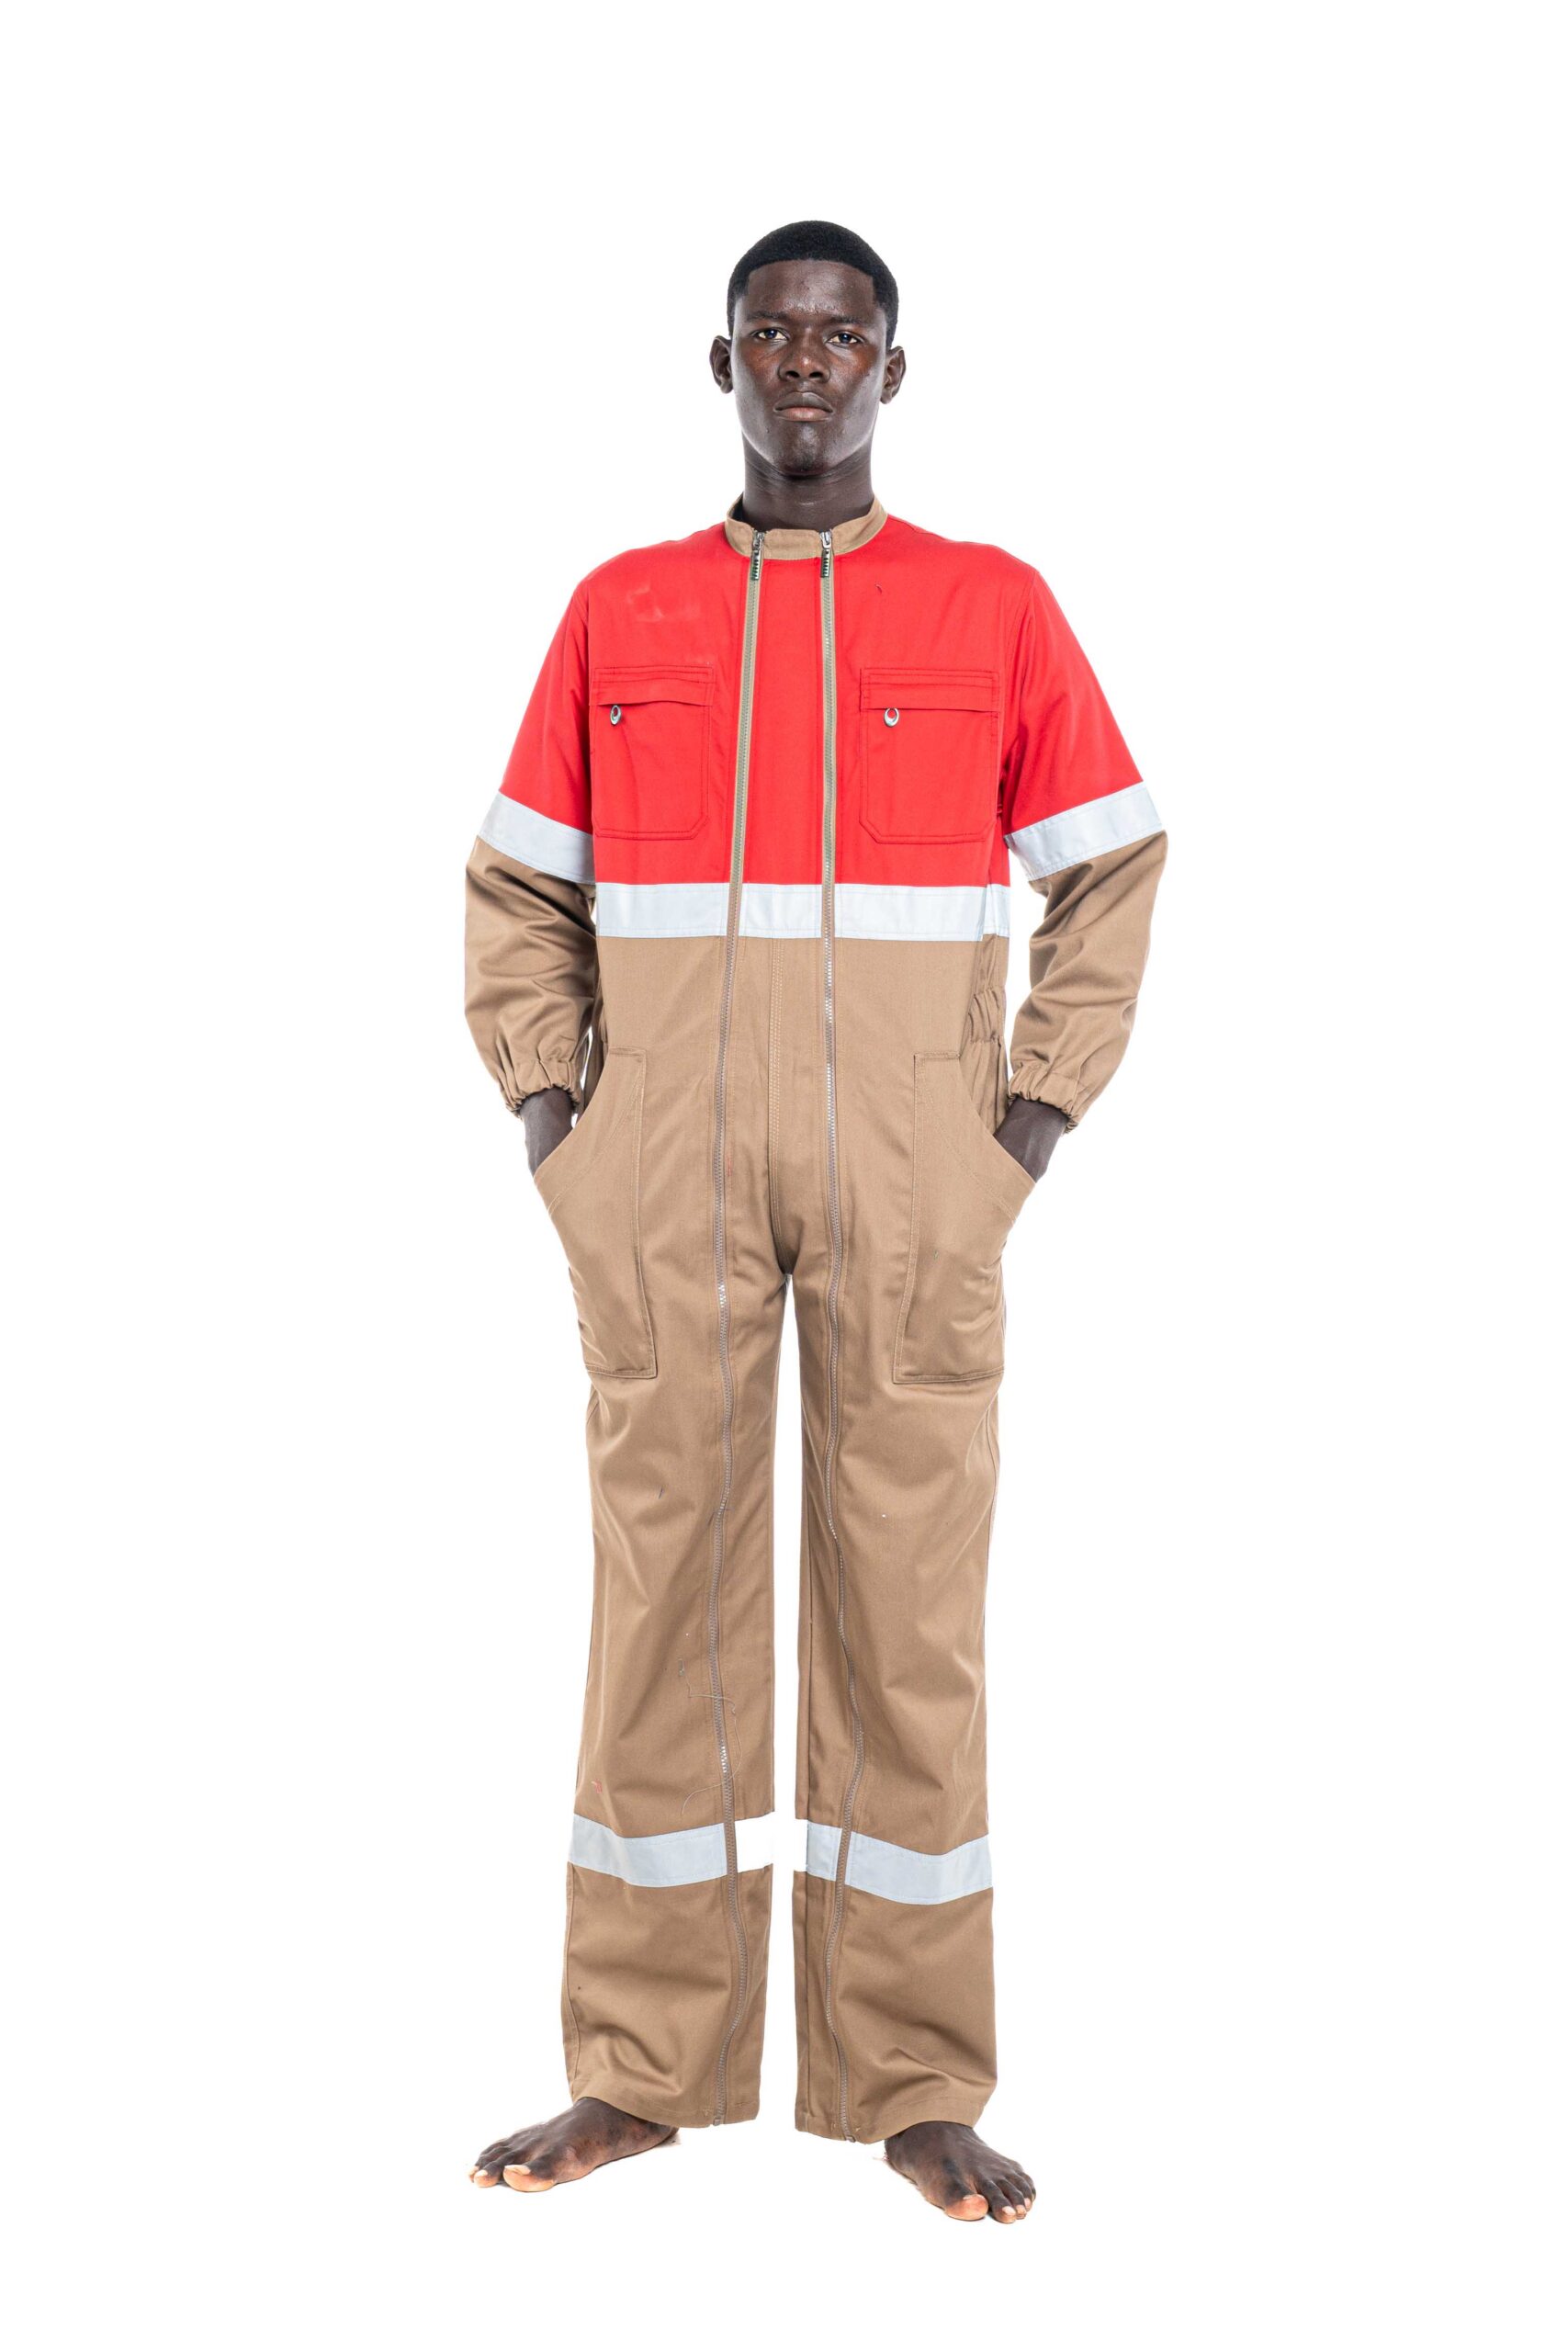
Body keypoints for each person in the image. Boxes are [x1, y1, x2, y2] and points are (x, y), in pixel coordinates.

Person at [462, 220, 1167, 2223]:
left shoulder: (989, 605)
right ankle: (636, 2068)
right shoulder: (620, 610)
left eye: (838, 336)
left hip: (919, 1192)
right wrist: (557, 1118)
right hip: (658, 1183)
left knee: (908, 1622)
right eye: (769, 332)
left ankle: (911, 2079)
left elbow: (1113, 864)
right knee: (658, 1608)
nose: (803, 361)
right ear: (722, 365)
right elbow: (516, 887)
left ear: (888, 371)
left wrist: (1025, 1119)